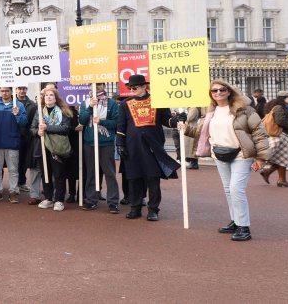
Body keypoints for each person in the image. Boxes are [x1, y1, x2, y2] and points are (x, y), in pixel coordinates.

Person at [181, 80, 269, 241]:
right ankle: (235, 221)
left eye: (222, 90)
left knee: (236, 189)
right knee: (228, 189)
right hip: (219, 154)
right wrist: (185, 129)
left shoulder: (244, 110)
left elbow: (259, 132)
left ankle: (244, 227)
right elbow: (202, 134)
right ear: (211, 94)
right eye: (214, 91)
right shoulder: (210, 113)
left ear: (229, 92)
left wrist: (261, 157)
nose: (218, 93)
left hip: (241, 154)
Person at [115, 74, 180, 221]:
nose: (132, 89)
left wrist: (177, 120)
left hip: (153, 145)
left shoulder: (158, 101)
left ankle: (153, 209)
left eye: (135, 87)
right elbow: (121, 126)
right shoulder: (125, 104)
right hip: (132, 146)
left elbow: (167, 120)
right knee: (133, 177)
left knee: (153, 178)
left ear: (144, 86)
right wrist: (120, 143)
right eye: (130, 88)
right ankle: (135, 207)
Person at [28, 87, 73, 212]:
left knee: (59, 174)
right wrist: (38, 131)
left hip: (57, 147)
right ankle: (48, 198)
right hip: (43, 147)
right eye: (46, 95)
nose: (48, 97)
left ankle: (59, 200)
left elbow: (65, 128)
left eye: (51, 95)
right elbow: (32, 128)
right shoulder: (40, 111)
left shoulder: (63, 111)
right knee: (45, 173)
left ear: (56, 98)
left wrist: (48, 128)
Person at [78, 88, 120, 213]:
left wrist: (102, 122)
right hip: (90, 143)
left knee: (110, 173)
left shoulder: (111, 103)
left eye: (100, 84)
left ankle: (113, 202)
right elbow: (82, 120)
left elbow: (117, 123)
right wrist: (90, 107)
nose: (97, 86)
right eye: (94, 84)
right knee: (91, 172)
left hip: (106, 143)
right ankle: (91, 200)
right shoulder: (85, 103)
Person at [0, 87, 27, 203]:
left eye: (7, 91)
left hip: (12, 142)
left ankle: (13, 192)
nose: (4, 93)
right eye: (2, 91)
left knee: (13, 169)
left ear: (12, 92)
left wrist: (18, 115)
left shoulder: (19, 106)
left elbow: (24, 122)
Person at [260, 90, 288, 188]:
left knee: (281, 158)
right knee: (283, 158)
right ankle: (273, 175)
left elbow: (286, 120)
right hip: (280, 135)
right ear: (283, 99)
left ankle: (278, 178)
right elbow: (280, 121)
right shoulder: (279, 107)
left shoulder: (280, 107)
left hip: (280, 135)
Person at [14, 86, 36, 194]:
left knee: (23, 161)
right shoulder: (12, 102)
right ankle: (14, 183)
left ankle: (21, 182)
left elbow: (33, 121)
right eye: (20, 88)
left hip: (26, 137)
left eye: (24, 89)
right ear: (16, 90)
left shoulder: (32, 104)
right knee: (13, 161)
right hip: (13, 136)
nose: (22, 91)